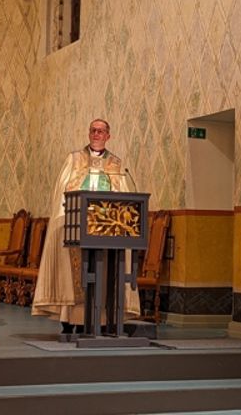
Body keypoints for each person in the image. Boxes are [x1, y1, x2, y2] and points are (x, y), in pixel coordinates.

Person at [31, 119, 140, 333]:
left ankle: (101, 320)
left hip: (106, 229)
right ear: (88, 134)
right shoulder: (73, 160)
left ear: (108, 135)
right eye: (93, 130)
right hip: (76, 227)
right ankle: (70, 320)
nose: (97, 134)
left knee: (105, 273)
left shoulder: (117, 165)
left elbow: (124, 198)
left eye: (101, 131)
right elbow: (62, 193)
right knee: (73, 275)